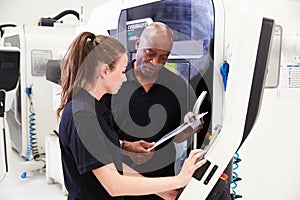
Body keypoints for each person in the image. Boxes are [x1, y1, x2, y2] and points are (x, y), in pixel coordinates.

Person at [57, 31, 207, 200]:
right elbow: (114, 185)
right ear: (105, 71)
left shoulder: (94, 109)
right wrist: (178, 180)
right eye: (121, 72)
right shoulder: (83, 115)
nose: (123, 78)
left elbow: (110, 162)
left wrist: (164, 191)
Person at [103, 22, 205, 200]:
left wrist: (189, 127)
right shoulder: (114, 81)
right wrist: (126, 148)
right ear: (137, 45)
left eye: (163, 58)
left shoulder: (178, 85)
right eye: (149, 53)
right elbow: (98, 137)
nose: (155, 62)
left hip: (163, 181)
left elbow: (179, 136)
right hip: (120, 180)